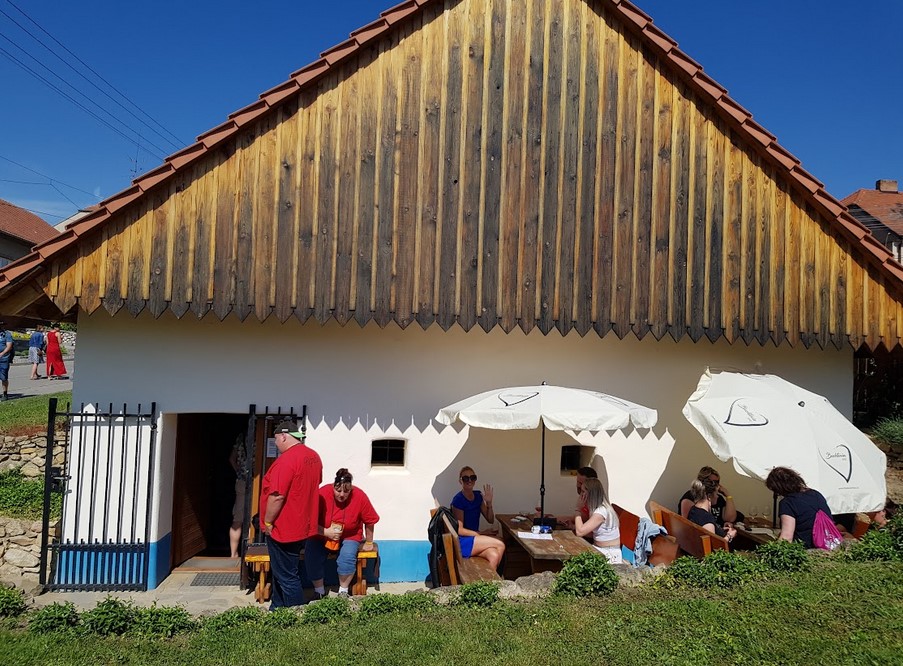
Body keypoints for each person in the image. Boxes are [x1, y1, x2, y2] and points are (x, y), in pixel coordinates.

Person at [259, 418, 323, 608]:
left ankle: (295, 615)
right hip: (302, 525)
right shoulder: (313, 456)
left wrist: (268, 522)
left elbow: (277, 496)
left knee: (287, 576)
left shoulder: (286, 461)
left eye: (276, 439)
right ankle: (277, 608)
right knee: (282, 572)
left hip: (283, 528)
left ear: (284, 436)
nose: (276, 444)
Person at [306, 468, 379, 599]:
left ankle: (343, 591)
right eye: (338, 490)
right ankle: (319, 591)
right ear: (333, 486)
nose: (341, 495)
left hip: (350, 535)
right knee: (312, 554)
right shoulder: (322, 494)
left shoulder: (359, 496)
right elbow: (308, 520)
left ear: (351, 489)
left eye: (346, 491)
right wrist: (326, 532)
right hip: (321, 535)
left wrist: (369, 542)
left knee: (347, 557)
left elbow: (370, 520)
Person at [449, 466, 505, 569]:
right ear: (460, 481)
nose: (469, 480)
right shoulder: (458, 500)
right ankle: (495, 578)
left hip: (475, 539)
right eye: (465, 478)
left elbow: (490, 520)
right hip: (464, 542)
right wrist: (481, 533)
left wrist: (489, 503)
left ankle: (488, 579)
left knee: (494, 555)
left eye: (472, 477)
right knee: (500, 543)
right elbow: (460, 530)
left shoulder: (478, 496)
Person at [765, 466, 833, 548]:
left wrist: (771, 551)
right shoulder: (816, 494)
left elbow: (787, 538)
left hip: (804, 549)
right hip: (827, 546)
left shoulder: (787, 502)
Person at [574, 477, 623, 563]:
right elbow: (594, 533)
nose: (580, 495)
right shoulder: (597, 509)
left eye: (583, 491)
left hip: (609, 554)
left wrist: (578, 509)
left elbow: (580, 532)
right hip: (600, 549)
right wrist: (573, 526)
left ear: (590, 493)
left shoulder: (601, 511)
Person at [686, 478, 737, 543]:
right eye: (716, 494)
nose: (717, 497)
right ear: (709, 496)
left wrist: (718, 529)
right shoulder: (706, 518)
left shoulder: (694, 509)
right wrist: (729, 535)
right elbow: (714, 546)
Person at [228, 432, 248, 558]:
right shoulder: (262, 434)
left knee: (238, 519)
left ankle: (233, 554)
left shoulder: (241, 437)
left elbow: (232, 458)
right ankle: (251, 551)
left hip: (242, 481)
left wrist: (239, 472)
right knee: (255, 519)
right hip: (258, 481)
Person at [0, 321, 12, 402]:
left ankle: (5, 393)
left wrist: (2, 353)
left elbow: (9, 346)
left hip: (3, 358)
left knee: (3, 377)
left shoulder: (7, 334)